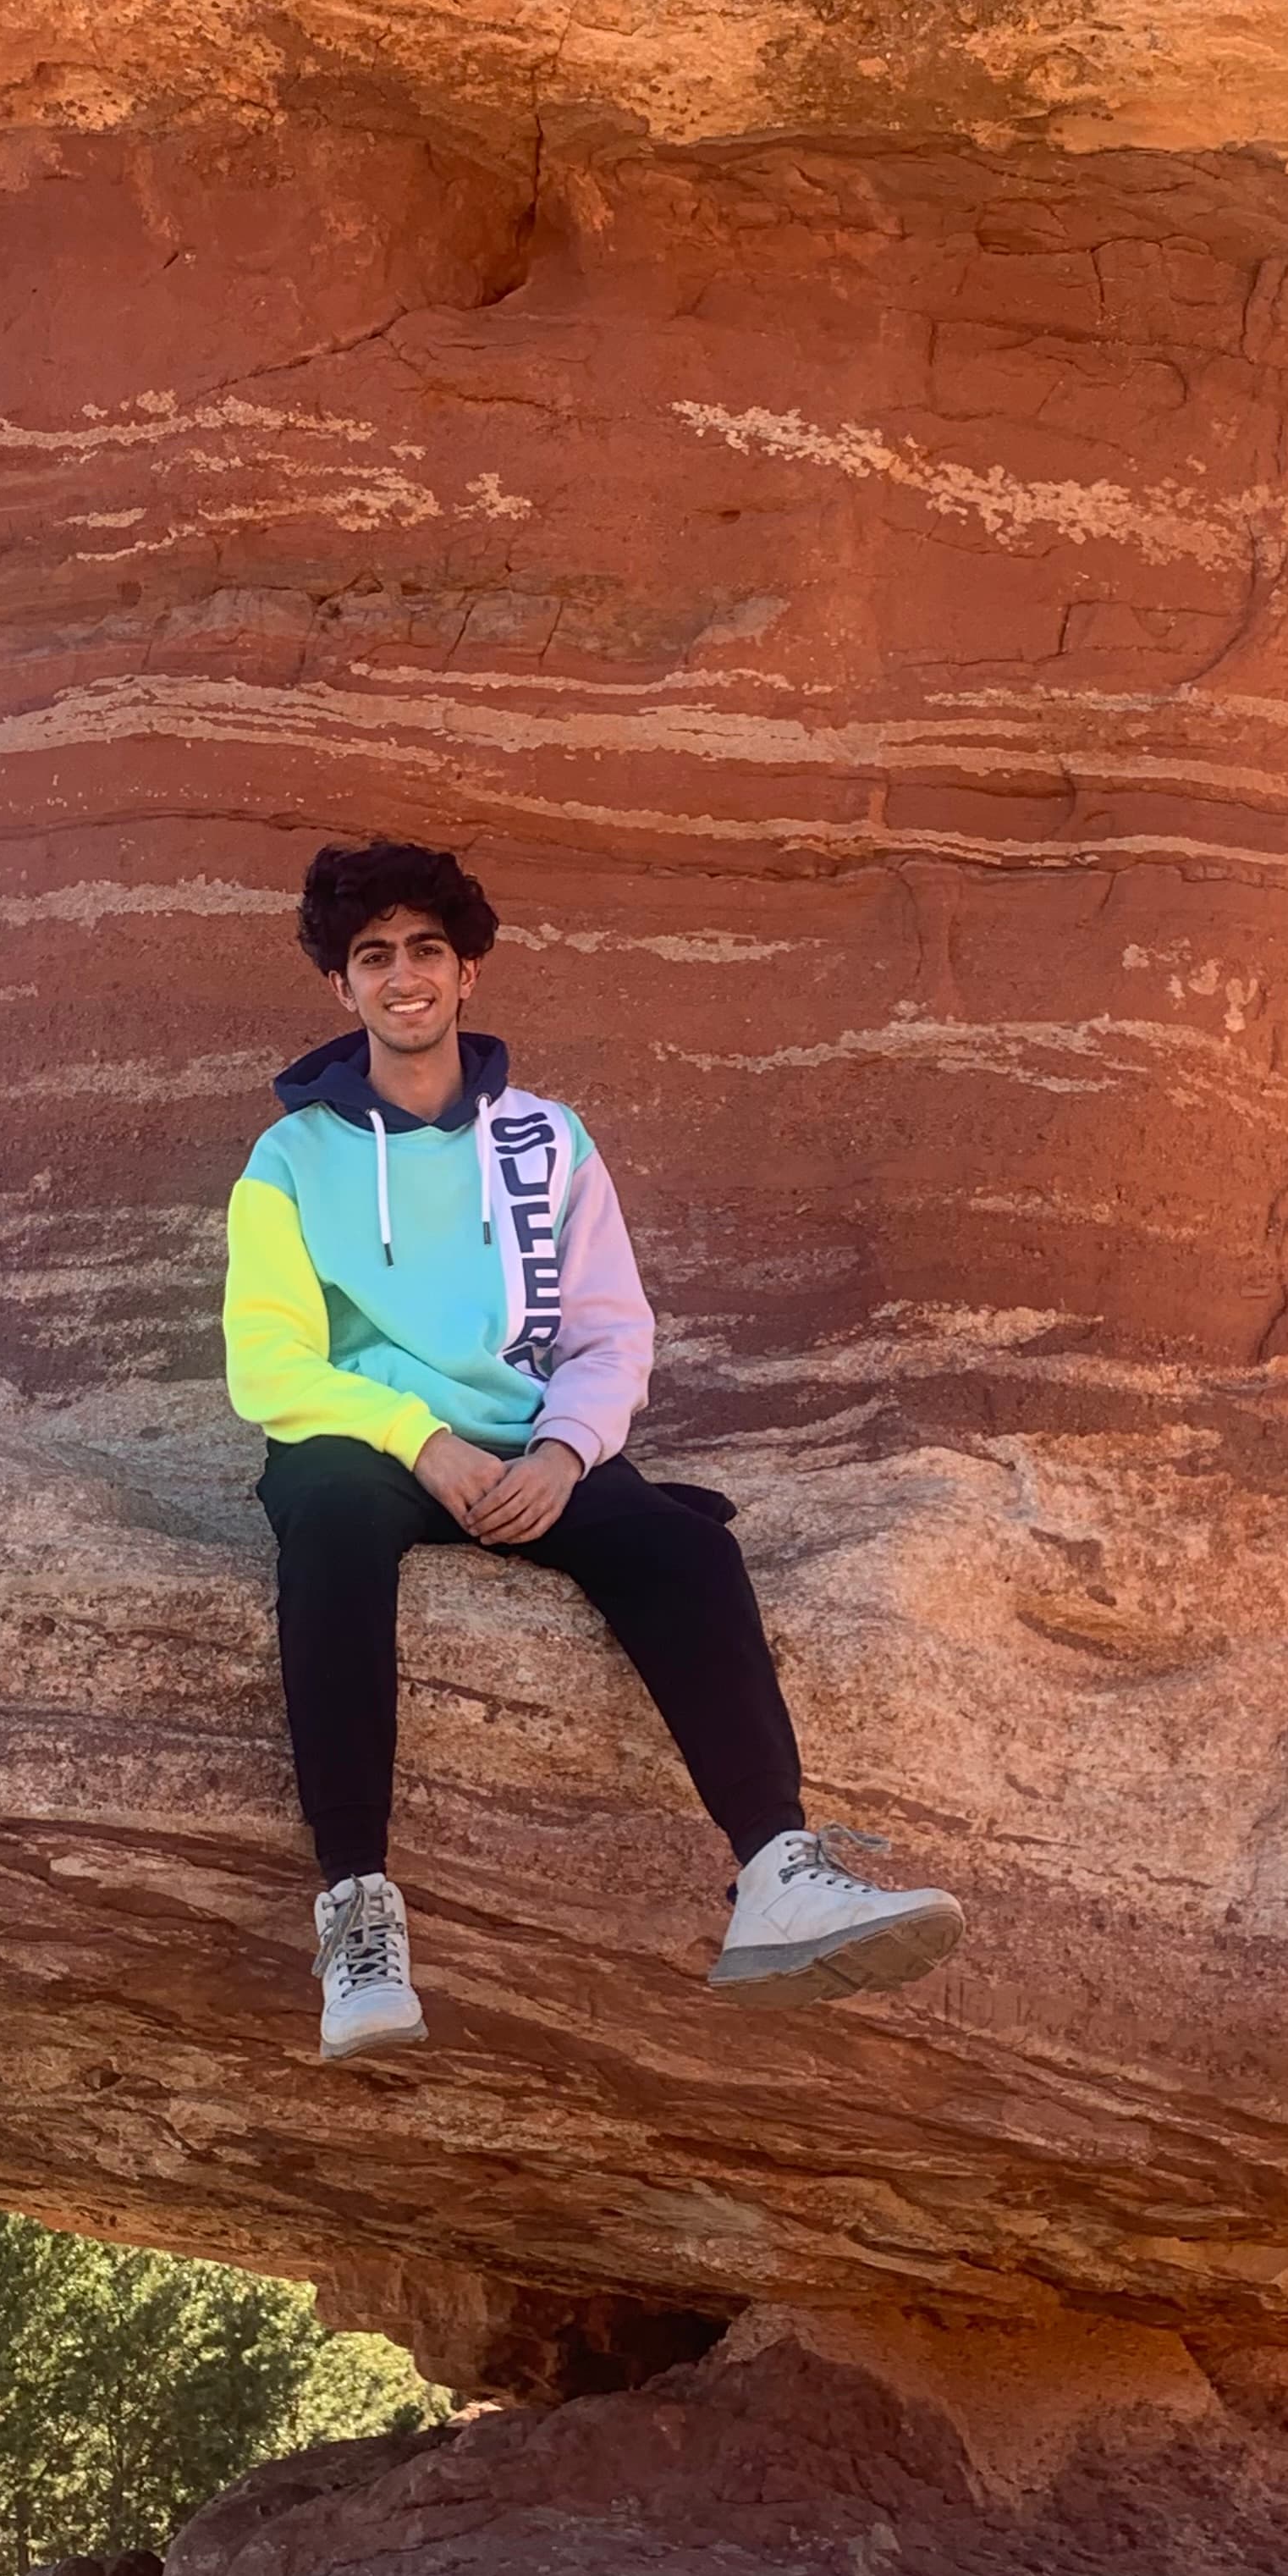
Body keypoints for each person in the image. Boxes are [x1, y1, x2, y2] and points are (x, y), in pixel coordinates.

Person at [223, 837, 966, 2062]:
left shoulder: (549, 1143)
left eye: (426, 951)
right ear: (340, 989)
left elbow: (612, 1332)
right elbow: (270, 1369)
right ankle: (357, 1915)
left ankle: (778, 1874)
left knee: (680, 1547)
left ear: (468, 976)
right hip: (366, 1440)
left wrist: (566, 1455)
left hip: (529, 1444)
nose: (402, 976)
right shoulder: (289, 1160)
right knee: (332, 1534)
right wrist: (420, 1444)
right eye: (373, 957)